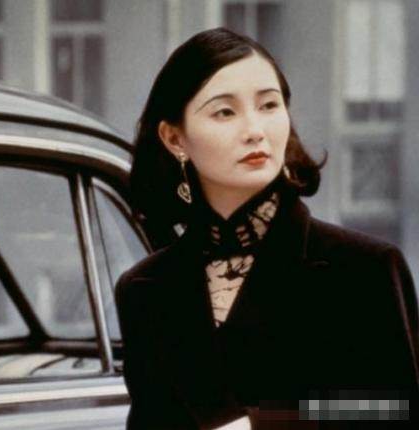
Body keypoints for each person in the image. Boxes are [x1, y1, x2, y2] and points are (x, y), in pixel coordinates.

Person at [115, 28, 419, 430]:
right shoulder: (145, 289)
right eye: (225, 112)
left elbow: (397, 410)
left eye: (269, 105)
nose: (255, 130)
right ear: (174, 138)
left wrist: (264, 423)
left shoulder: (363, 267)